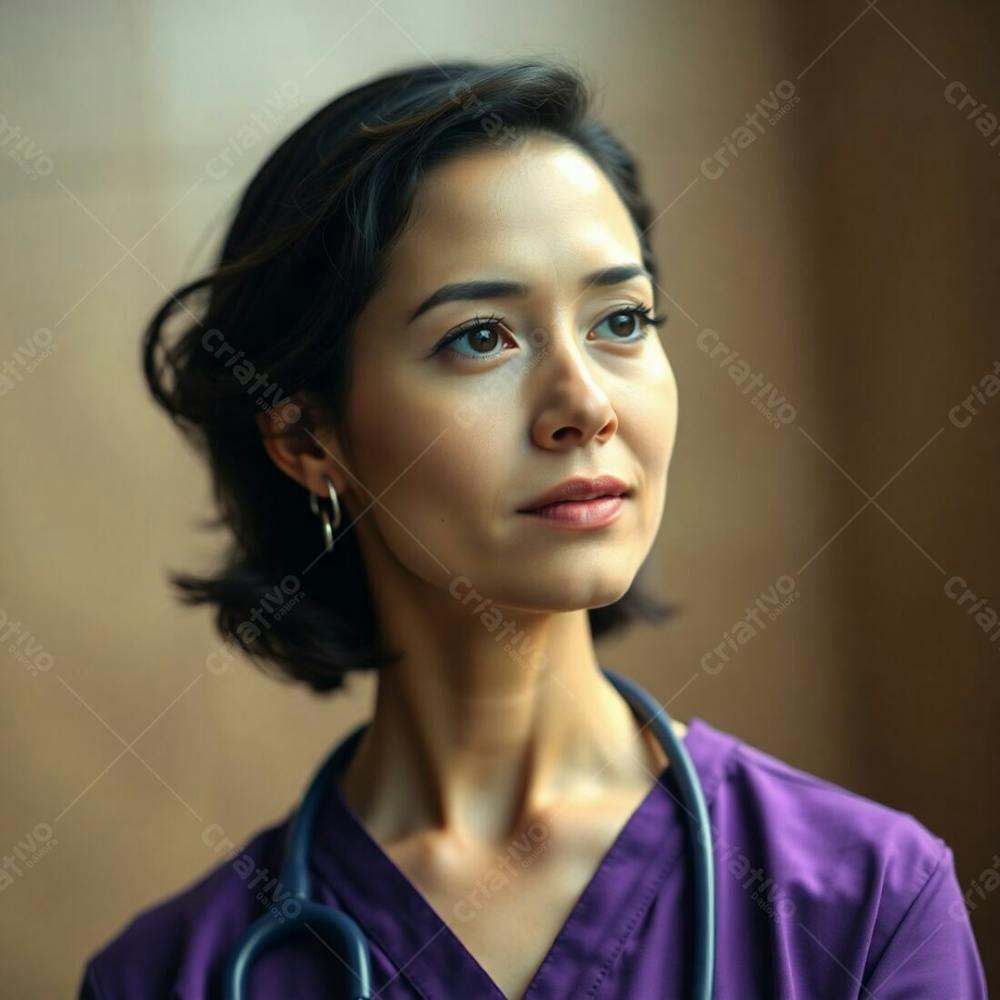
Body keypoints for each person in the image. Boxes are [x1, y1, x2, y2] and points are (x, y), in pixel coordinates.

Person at [77, 59, 987, 999]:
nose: (585, 404)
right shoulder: (167, 976)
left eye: (621, 320)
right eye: (482, 337)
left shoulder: (865, 899)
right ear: (308, 436)